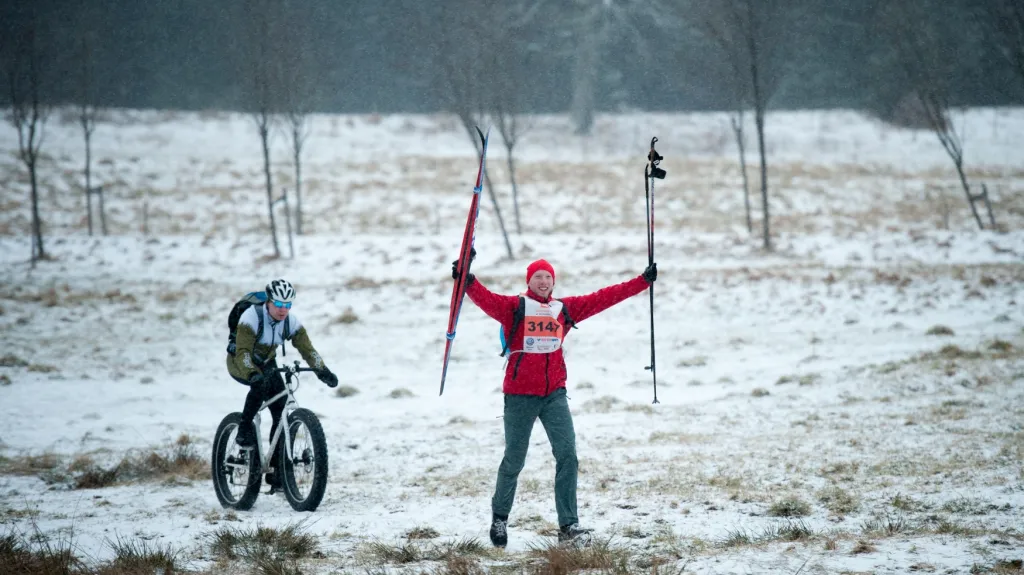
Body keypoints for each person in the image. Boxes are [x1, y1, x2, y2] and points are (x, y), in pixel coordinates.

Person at [453, 257, 658, 546]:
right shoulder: (515, 308)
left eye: (547, 277)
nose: (543, 281)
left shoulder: (564, 309)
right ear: (528, 281)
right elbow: (486, 299)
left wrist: (642, 281)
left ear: (553, 281)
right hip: (520, 396)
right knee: (514, 459)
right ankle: (500, 518)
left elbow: (603, 298)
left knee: (567, 456)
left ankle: (568, 526)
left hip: (554, 395)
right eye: (537, 277)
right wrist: (468, 281)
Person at [225, 278, 338, 491]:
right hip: (240, 361)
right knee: (259, 387)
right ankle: (243, 428)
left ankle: (277, 473)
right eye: (279, 304)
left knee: (281, 409)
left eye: (288, 305)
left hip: (266, 363)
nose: (283, 310)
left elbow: (307, 349)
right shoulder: (252, 317)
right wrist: (252, 374)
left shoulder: (289, 322)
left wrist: (322, 370)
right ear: (269, 301)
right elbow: (242, 354)